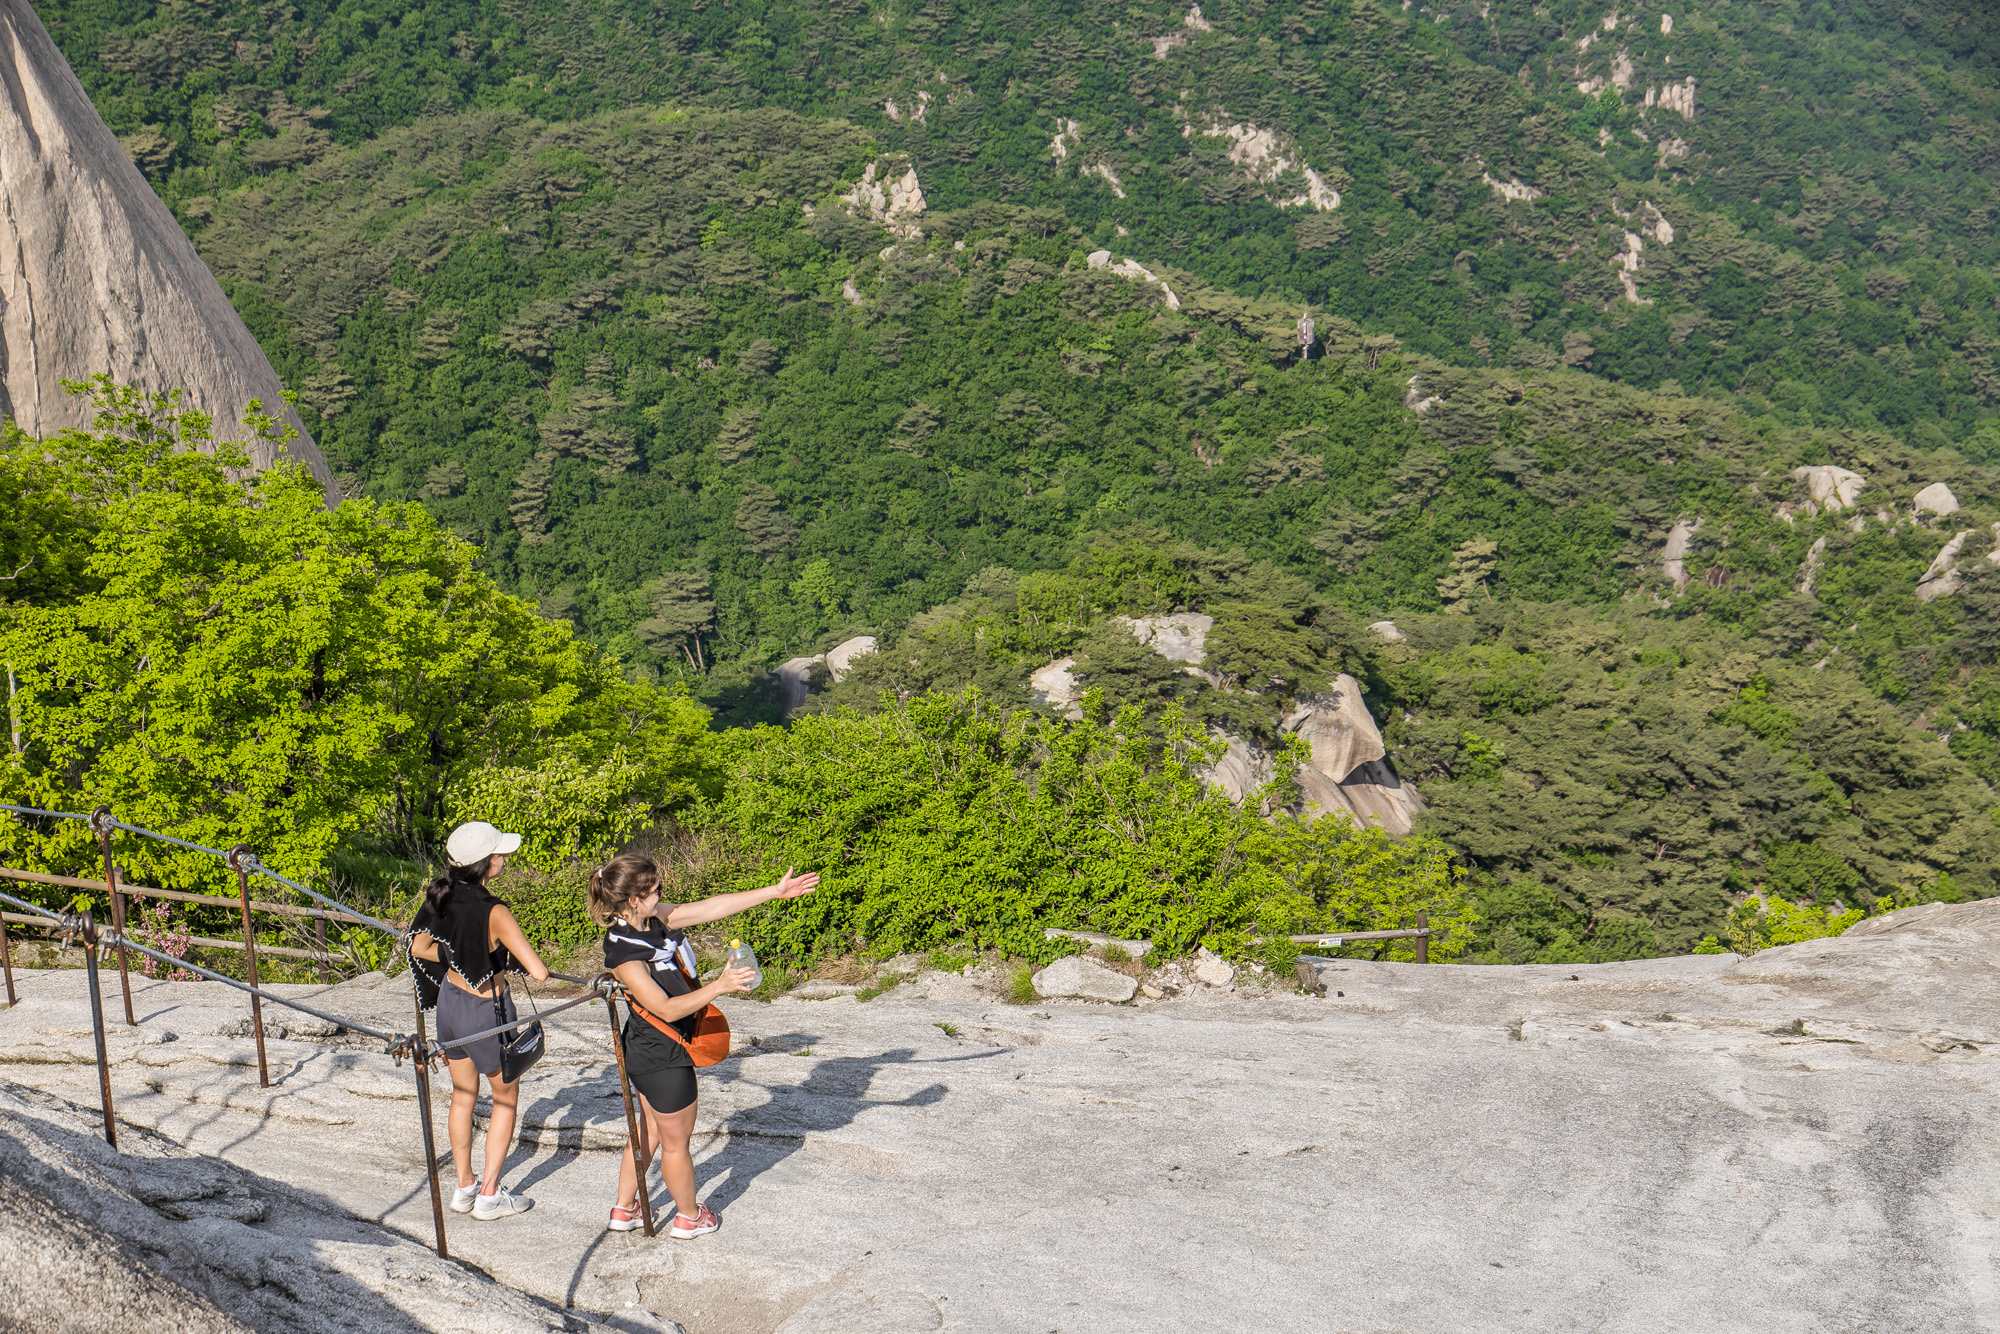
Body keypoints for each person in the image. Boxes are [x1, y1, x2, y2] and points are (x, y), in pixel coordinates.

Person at [591, 851, 819, 1236]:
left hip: (649, 1049)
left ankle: (623, 1209)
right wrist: (720, 986)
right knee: (675, 1143)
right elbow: (663, 1008)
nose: (663, 893)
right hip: (663, 1052)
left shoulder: (650, 918)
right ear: (633, 899)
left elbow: (710, 908)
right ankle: (688, 1216)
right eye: (656, 889)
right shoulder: (625, 954)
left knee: (648, 1130)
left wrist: (775, 892)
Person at [407, 820, 551, 1221]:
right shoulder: (495, 910)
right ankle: (489, 1195)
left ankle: (464, 1186)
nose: (504, 858)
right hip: (486, 1011)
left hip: (451, 1005)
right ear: (485, 864)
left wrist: (455, 958)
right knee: (505, 1100)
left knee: (462, 1096)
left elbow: (419, 947)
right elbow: (537, 972)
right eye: (499, 854)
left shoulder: (440, 893)